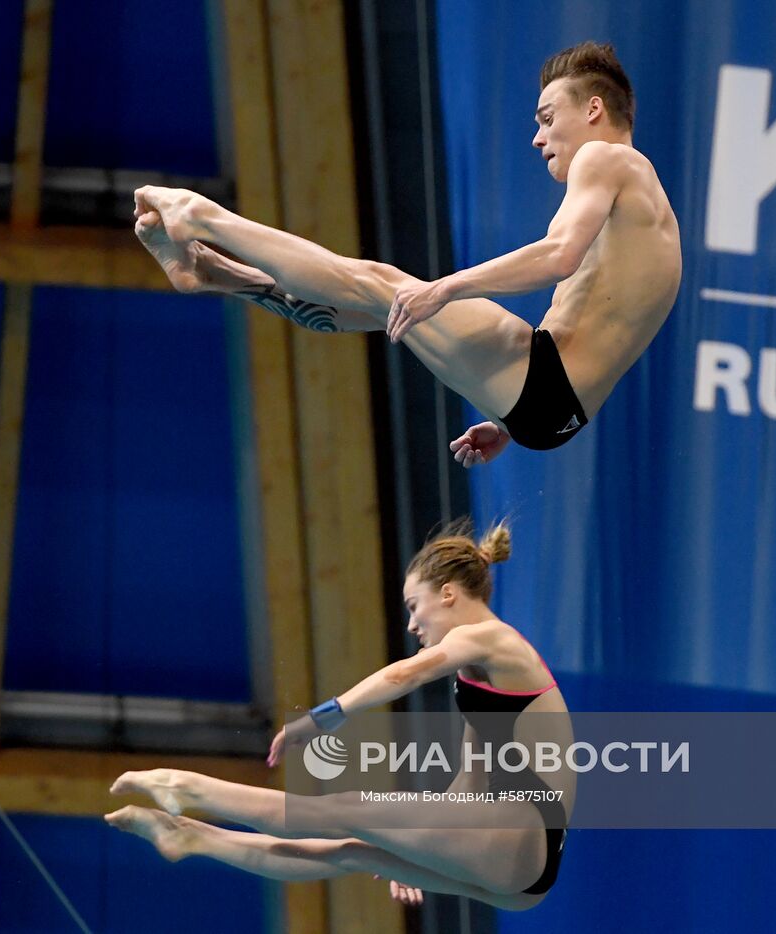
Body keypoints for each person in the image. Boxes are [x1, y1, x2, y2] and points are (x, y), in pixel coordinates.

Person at [132, 41, 680, 459]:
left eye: (546, 119)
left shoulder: (608, 160)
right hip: (553, 411)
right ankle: (213, 272)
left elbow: (558, 254)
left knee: (380, 282)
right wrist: (510, 424)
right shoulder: (649, 217)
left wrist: (445, 287)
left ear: (592, 109)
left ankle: (203, 217)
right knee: (377, 305)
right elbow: (606, 333)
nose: (537, 138)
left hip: (542, 384)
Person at [105, 521, 575, 911]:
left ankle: (188, 789)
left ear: (448, 593)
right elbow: (469, 786)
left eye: (415, 606)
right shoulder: (475, 677)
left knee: (342, 808)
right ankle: (190, 837)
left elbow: (406, 675)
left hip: (520, 840)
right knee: (349, 852)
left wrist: (324, 715)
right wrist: (427, 844)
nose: (412, 624)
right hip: (520, 870)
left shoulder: (493, 639)